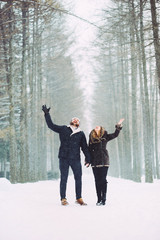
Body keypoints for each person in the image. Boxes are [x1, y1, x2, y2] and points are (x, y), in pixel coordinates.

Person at [42, 105, 90, 206]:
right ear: (71, 121)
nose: (76, 121)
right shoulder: (64, 129)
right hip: (64, 157)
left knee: (78, 178)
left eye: (77, 120)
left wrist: (88, 158)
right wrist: (47, 114)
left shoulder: (81, 133)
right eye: (74, 119)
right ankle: (63, 198)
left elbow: (84, 147)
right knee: (64, 178)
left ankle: (79, 198)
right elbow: (51, 125)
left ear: (79, 123)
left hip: (75, 159)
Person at [88, 119, 124, 206]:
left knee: (103, 180)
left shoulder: (105, 136)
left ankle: (104, 199)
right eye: (95, 126)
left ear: (101, 129)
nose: (96, 126)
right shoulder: (91, 138)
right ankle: (98, 199)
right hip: (95, 162)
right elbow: (89, 150)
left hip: (104, 161)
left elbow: (115, 134)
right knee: (97, 181)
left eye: (98, 126)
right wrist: (88, 160)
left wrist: (118, 125)